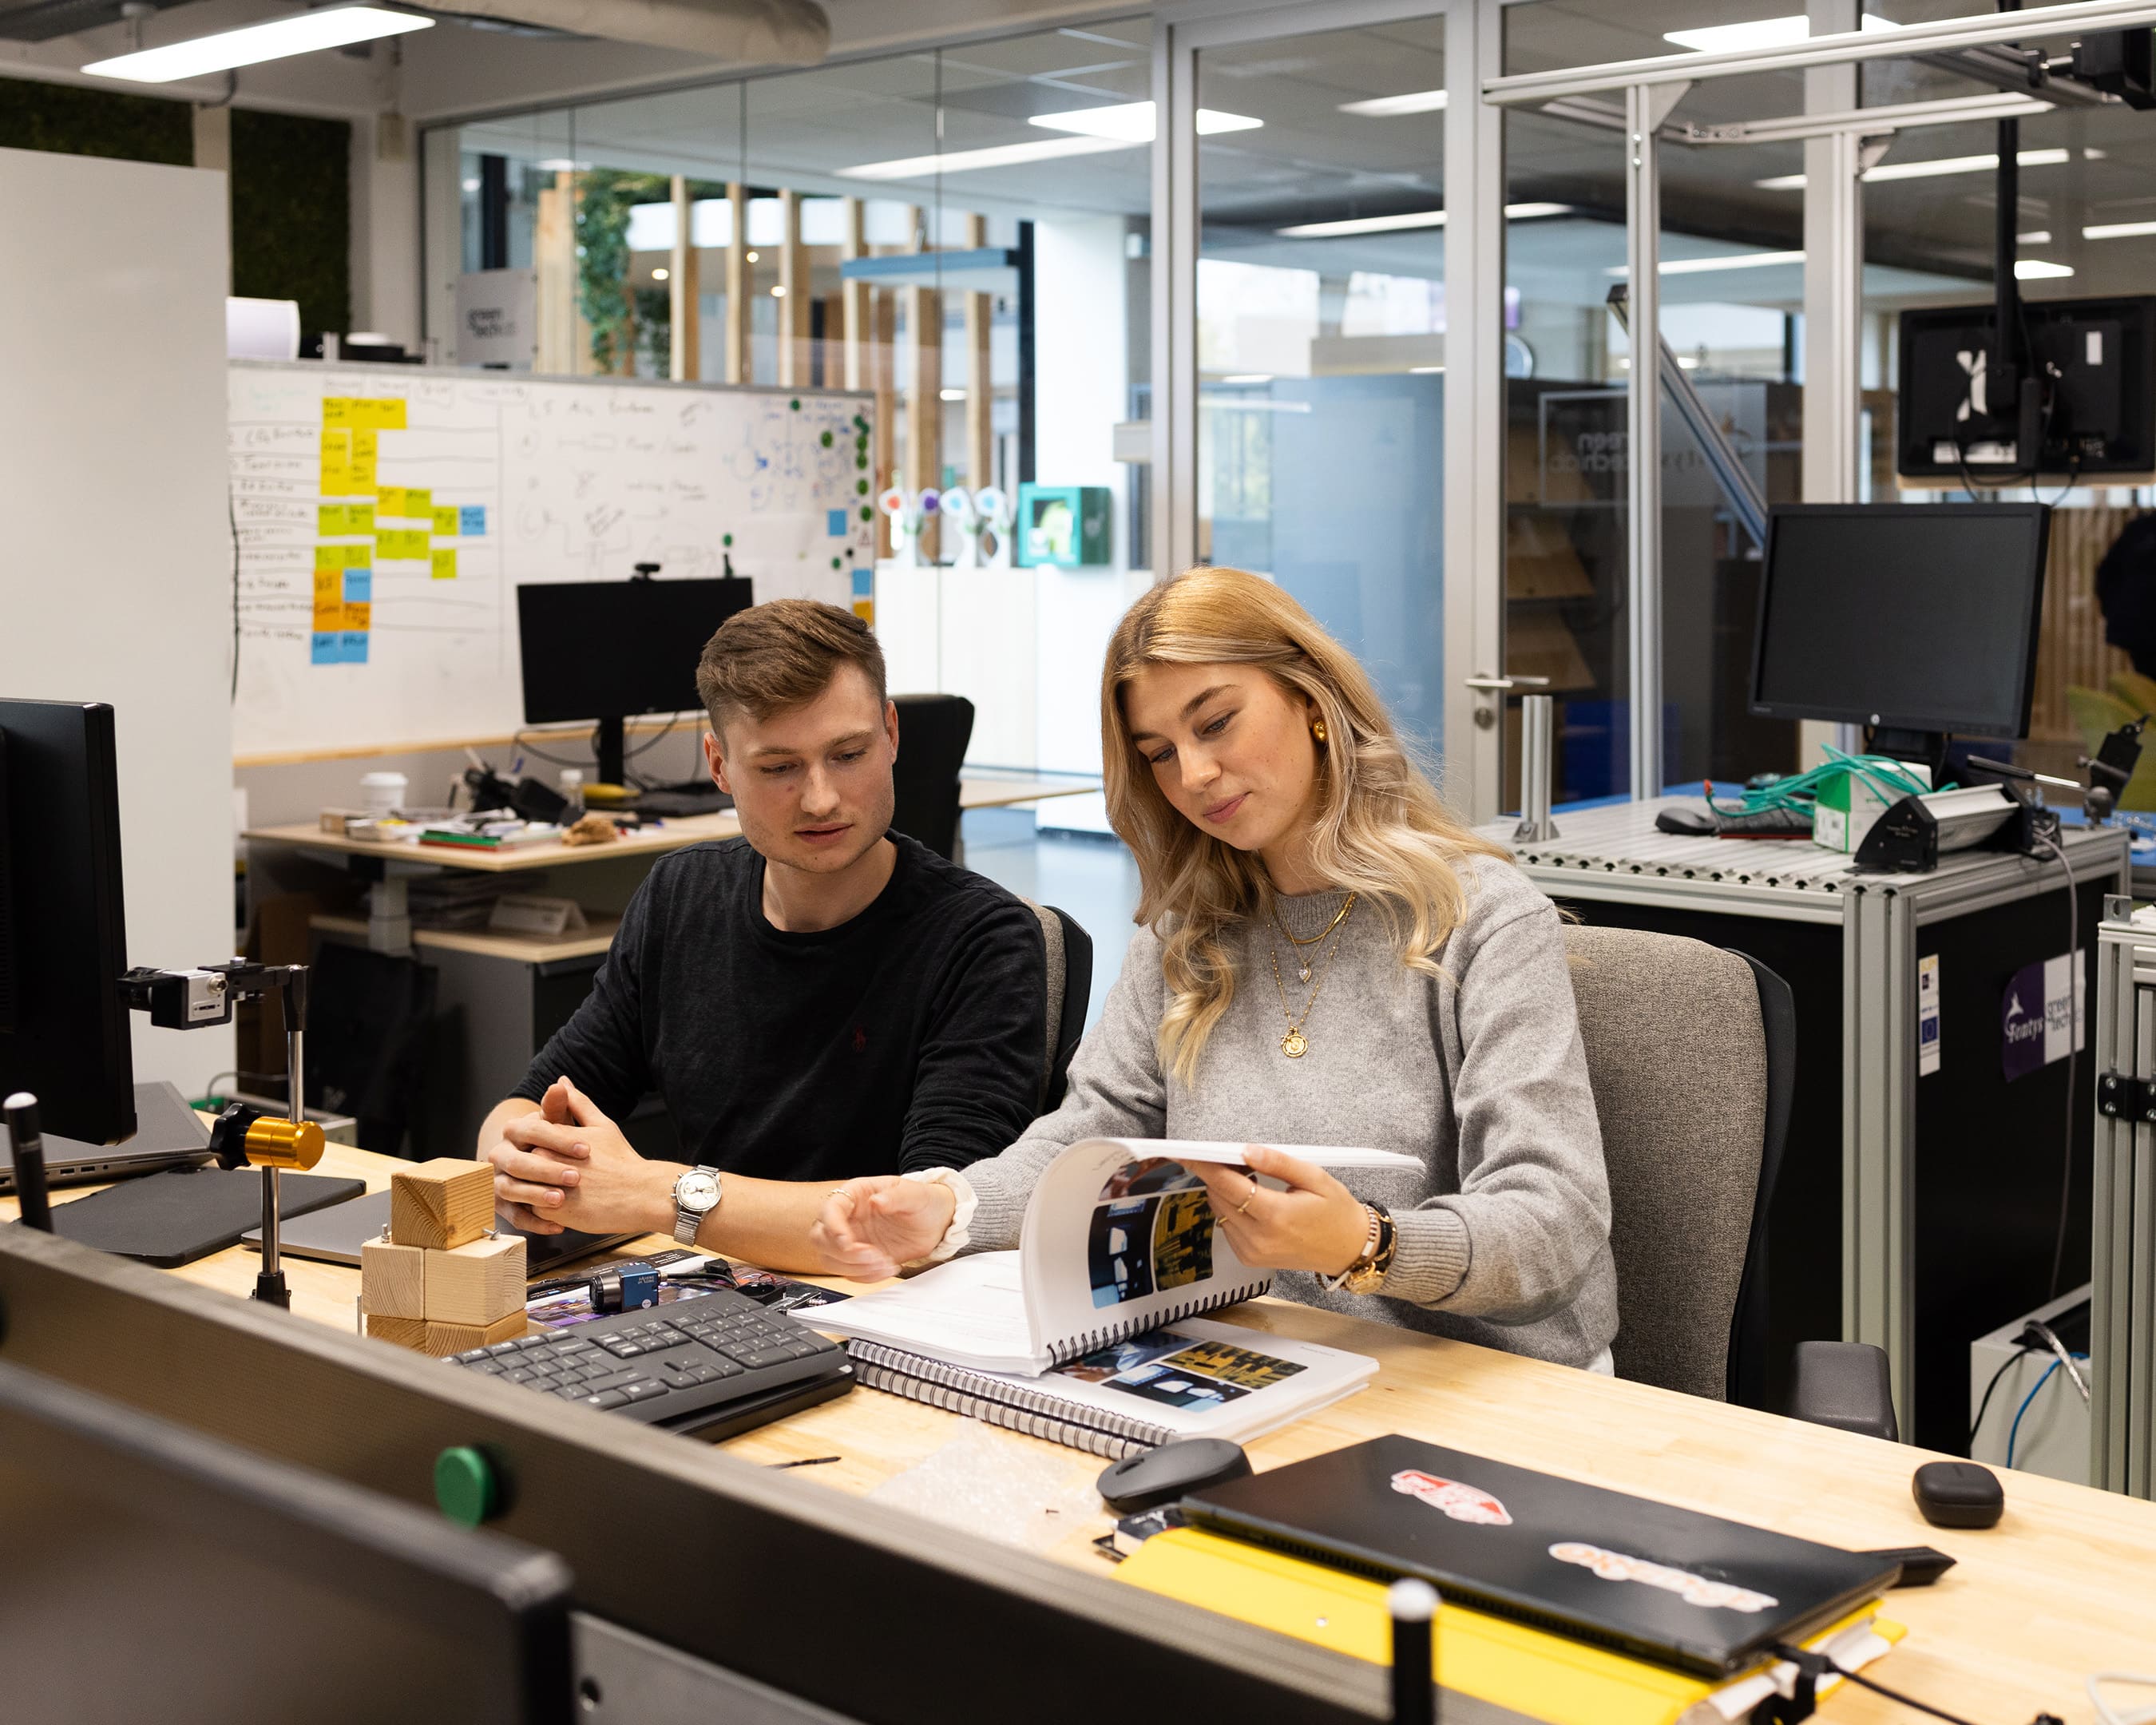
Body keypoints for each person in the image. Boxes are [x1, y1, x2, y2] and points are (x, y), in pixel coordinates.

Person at [810, 567, 1619, 1370]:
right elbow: (1092, 1133)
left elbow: (1555, 1219)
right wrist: (949, 1205)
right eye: (1159, 753)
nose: (1192, 776)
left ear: (1312, 702)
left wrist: (1366, 1243)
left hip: (1482, 1384)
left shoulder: (1483, 919)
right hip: (1275, 1360)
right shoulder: (1187, 935)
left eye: (1217, 723)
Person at [479, 598, 1048, 1268]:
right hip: (713, 1285)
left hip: (886, 1310)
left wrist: (657, 1194)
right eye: (779, 768)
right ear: (719, 765)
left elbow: (919, 1220)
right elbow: (528, 1105)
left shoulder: (984, 939)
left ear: (891, 734)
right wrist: (518, 1165)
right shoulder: (680, 896)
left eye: (848, 753)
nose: (821, 798)